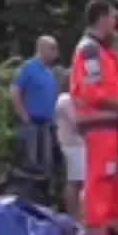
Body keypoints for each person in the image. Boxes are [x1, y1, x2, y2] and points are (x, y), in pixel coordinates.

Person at [70, 0, 118, 235]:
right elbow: (93, 90)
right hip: (100, 124)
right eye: (112, 17)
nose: (116, 22)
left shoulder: (103, 50)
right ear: (101, 18)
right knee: (101, 178)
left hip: (111, 125)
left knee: (115, 179)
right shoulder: (91, 51)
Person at [11, 35, 61, 186]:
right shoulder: (28, 68)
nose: (55, 52)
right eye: (52, 48)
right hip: (31, 121)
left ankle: (43, 195)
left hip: (46, 123)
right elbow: (15, 90)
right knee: (30, 162)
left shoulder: (49, 72)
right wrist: (23, 114)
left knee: (46, 162)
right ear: (41, 48)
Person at [53, 90, 85, 224]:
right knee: (73, 182)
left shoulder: (67, 100)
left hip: (75, 145)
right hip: (72, 145)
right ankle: (74, 216)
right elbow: (76, 122)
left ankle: (77, 215)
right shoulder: (66, 100)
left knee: (78, 182)